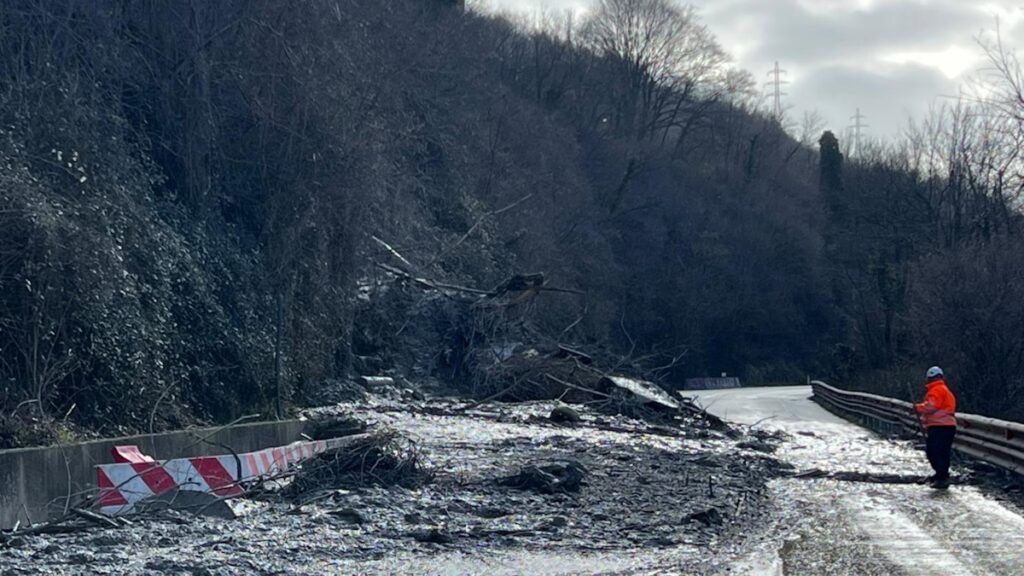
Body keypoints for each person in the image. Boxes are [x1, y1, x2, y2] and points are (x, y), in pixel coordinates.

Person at [915, 366, 957, 489]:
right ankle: (941, 475)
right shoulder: (945, 390)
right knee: (943, 452)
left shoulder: (936, 390)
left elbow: (931, 406)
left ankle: (942, 477)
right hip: (947, 426)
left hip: (939, 426)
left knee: (934, 452)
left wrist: (918, 408)